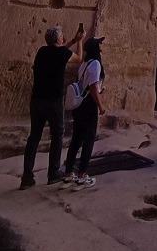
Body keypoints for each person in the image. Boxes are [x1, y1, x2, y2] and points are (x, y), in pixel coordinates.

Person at [20, 24, 85, 190]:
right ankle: (53, 173)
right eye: (62, 36)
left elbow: (60, 51)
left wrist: (72, 40)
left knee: (34, 137)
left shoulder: (42, 51)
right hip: (53, 100)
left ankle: (27, 177)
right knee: (58, 134)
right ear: (58, 39)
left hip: (37, 100)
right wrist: (80, 41)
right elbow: (78, 58)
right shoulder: (61, 53)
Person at [62, 37, 106, 190]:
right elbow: (93, 88)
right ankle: (82, 176)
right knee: (89, 139)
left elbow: (86, 84)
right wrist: (100, 105)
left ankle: (68, 174)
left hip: (79, 104)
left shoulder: (84, 63)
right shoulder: (95, 64)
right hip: (88, 105)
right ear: (96, 47)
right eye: (100, 43)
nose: (102, 45)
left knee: (76, 138)